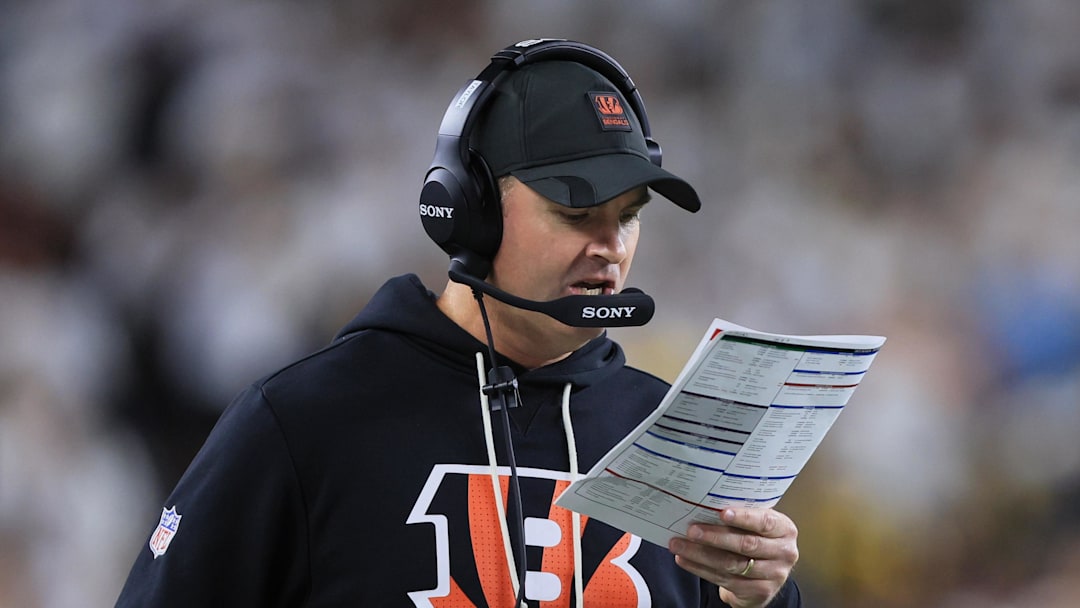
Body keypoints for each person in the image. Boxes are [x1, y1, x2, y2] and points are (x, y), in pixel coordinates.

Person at [114, 39, 801, 607]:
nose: (612, 247)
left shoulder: (677, 438)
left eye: (627, 215)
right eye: (576, 211)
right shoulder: (302, 420)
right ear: (467, 209)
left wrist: (765, 596)